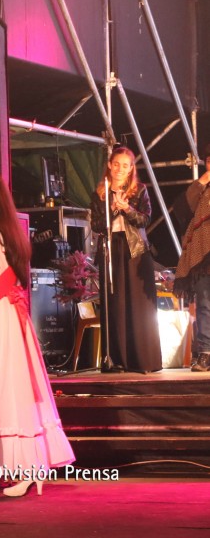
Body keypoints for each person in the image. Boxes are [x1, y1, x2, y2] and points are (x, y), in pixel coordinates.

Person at [0, 173, 74, 497]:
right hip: (10, 314)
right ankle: (20, 465)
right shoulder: (10, 233)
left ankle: (4, 466)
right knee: (14, 385)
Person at [90, 147, 162, 373]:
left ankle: (143, 360)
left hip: (135, 250)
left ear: (131, 168)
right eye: (116, 164)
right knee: (115, 305)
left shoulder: (139, 190)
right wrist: (112, 208)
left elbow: (144, 220)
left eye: (125, 165)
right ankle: (116, 360)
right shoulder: (100, 193)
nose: (120, 169)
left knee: (139, 306)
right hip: (111, 250)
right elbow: (97, 225)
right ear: (109, 165)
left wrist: (127, 209)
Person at [174, 144, 210, 370]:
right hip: (204, 257)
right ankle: (206, 352)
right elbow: (182, 208)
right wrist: (203, 181)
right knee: (205, 304)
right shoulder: (202, 190)